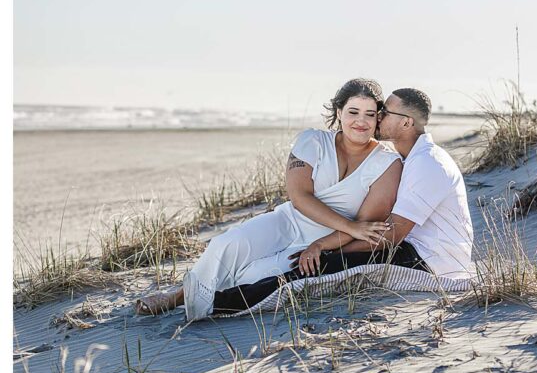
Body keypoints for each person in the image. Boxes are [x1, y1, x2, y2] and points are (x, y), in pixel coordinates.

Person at [136, 78, 402, 320]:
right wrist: (352, 227)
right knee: (227, 244)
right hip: (289, 220)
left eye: (370, 114)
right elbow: (300, 197)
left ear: (379, 117)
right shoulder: (312, 141)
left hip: (329, 239)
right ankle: (177, 297)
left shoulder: (387, 163)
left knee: (254, 275)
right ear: (338, 112)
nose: (361, 122)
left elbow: (365, 226)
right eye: (353, 112)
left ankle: (203, 302)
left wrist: (321, 245)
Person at [201, 87, 475, 315]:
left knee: (315, 270)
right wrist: (327, 245)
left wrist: (327, 249)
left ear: (406, 122)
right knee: (313, 263)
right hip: (410, 248)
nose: (377, 118)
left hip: (427, 260)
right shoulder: (412, 158)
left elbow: (390, 236)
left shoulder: (427, 163)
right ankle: (210, 296)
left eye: (383, 113)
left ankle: (222, 306)